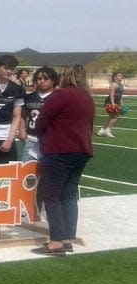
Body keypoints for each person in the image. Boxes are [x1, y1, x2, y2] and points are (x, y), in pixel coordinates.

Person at [32, 65, 95, 255]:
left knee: (50, 194)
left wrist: (43, 137)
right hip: (81, 150)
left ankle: (57, 241)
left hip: (60, 150)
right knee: (68, 195)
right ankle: (68, 237)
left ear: (64, 77)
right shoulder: (87, 97)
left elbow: (41, 121)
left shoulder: (60, 95)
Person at [19, 67, 58, 161]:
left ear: (53, 80)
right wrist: (22, 131)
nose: (42, 81)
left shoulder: (58, 97)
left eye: (46, 78)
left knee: (47, 173)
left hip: (50, 142)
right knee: (27, 172)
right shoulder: (28, 97)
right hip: (31, 139)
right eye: (39, 79)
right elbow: (22, 116)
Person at [98, 72, 125, 138]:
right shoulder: (113, 84)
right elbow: (111, 94)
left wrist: (121, 104)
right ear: (115, 77)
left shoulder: (121, 84)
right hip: (110, 102)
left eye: (121, 75)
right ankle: (108, 131)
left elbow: (120, 95)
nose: (121, 76)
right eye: (119, 75)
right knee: (116, 116)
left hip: (116, 102)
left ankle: (102, 131)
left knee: (111, 117)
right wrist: (112, 104)